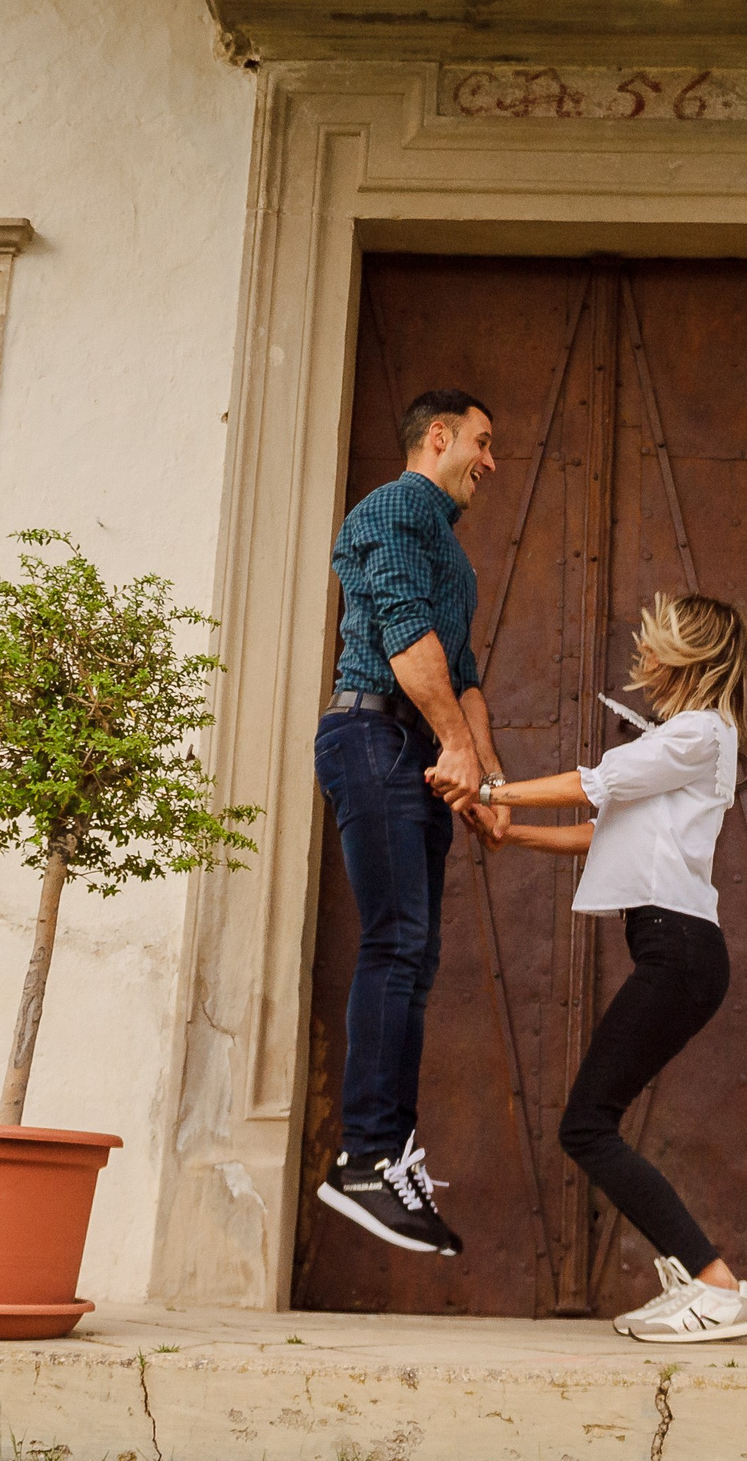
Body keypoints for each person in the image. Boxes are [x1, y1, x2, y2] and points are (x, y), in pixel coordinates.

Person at [472, 593, 747, 1343]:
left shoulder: (700, 732)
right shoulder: (689, 741)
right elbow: (600, 829)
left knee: (586, 1126)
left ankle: (716, 1286)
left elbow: (588, 783)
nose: (646, 657)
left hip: (681, 951)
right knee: (591, 1124)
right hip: (677, 949)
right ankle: (700, 1279)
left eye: (660, 644)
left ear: (692, 654)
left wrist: (488, 790)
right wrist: (511, 835)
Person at [313, 388, 508, 1257]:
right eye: (482, 442)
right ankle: (365, 1158)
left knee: (416, 952)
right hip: (371, 734)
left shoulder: (452, 555)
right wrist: (454, 748)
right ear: (439, 437)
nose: (491, 462)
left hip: (413, 746)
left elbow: (461, 669)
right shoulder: (393, 507)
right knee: (396, 942)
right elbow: (403, 637)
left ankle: (383, 1155)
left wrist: (487, 778)